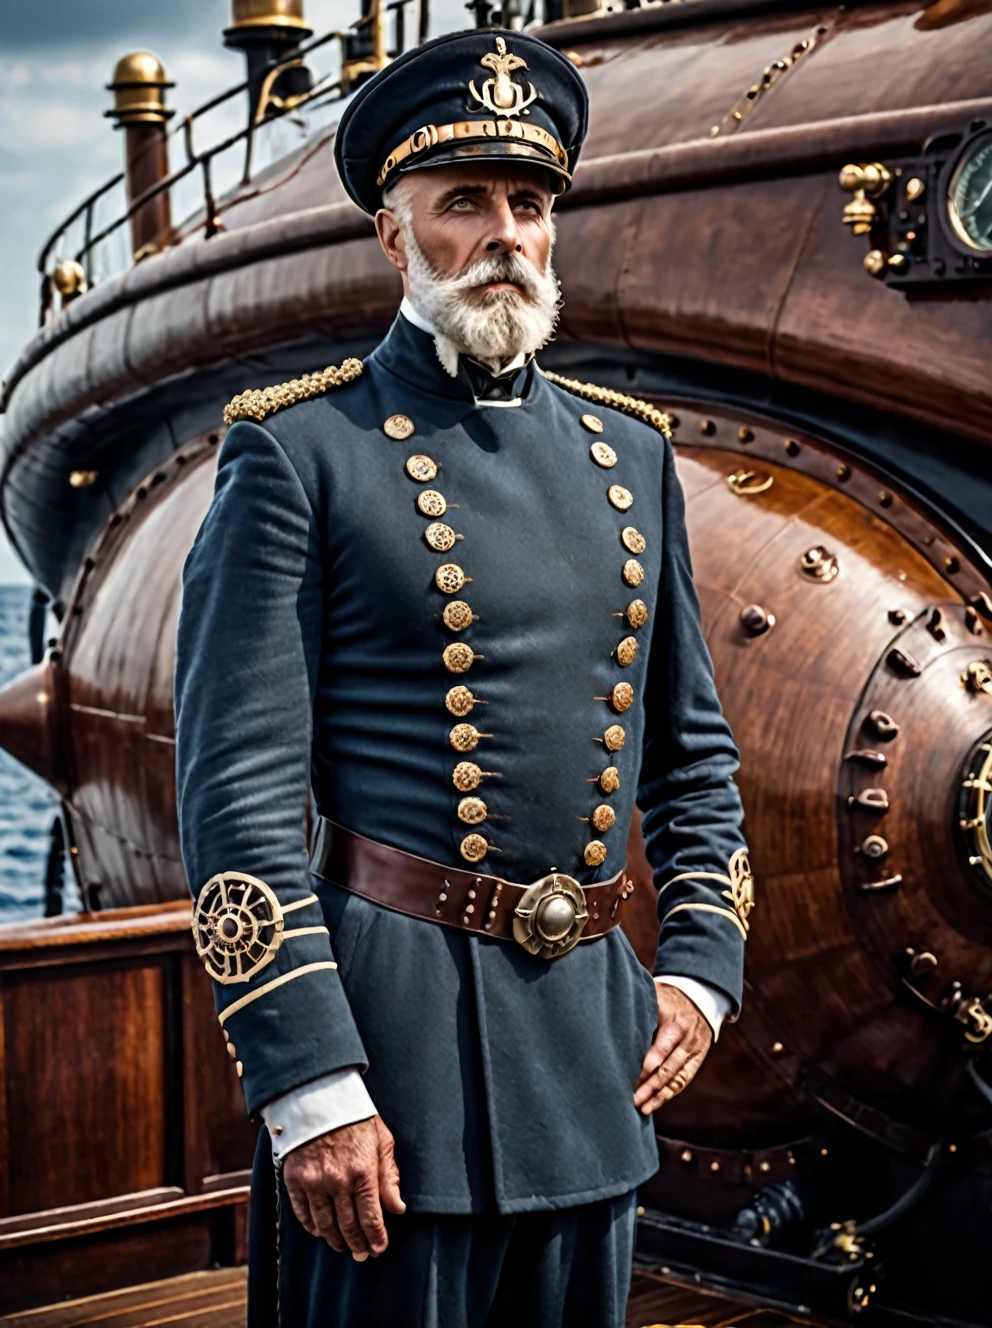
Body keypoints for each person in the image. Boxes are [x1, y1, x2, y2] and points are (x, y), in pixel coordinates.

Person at [175, 27, 754, 1328]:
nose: (506, 233)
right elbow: (237, 798)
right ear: (395, 237)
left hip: (592, 1046)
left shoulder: (632, 457)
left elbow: (693, 754)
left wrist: (704, 968)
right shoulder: (297, 454)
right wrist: (308, 1079)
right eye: (465, 204)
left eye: (530, 204)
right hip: (388, 1068)